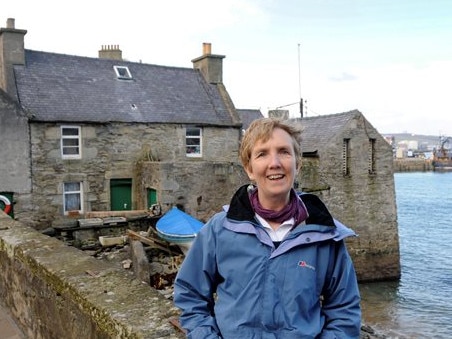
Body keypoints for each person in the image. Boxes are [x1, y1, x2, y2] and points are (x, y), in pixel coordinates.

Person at [173, 117, 361, 338]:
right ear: (249, 168)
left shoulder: (326, 236)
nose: (275, 163)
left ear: (297, 164)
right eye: (262, 154)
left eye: (284, 151)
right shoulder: (219, 230)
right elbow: (190, 293)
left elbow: (344, 313)